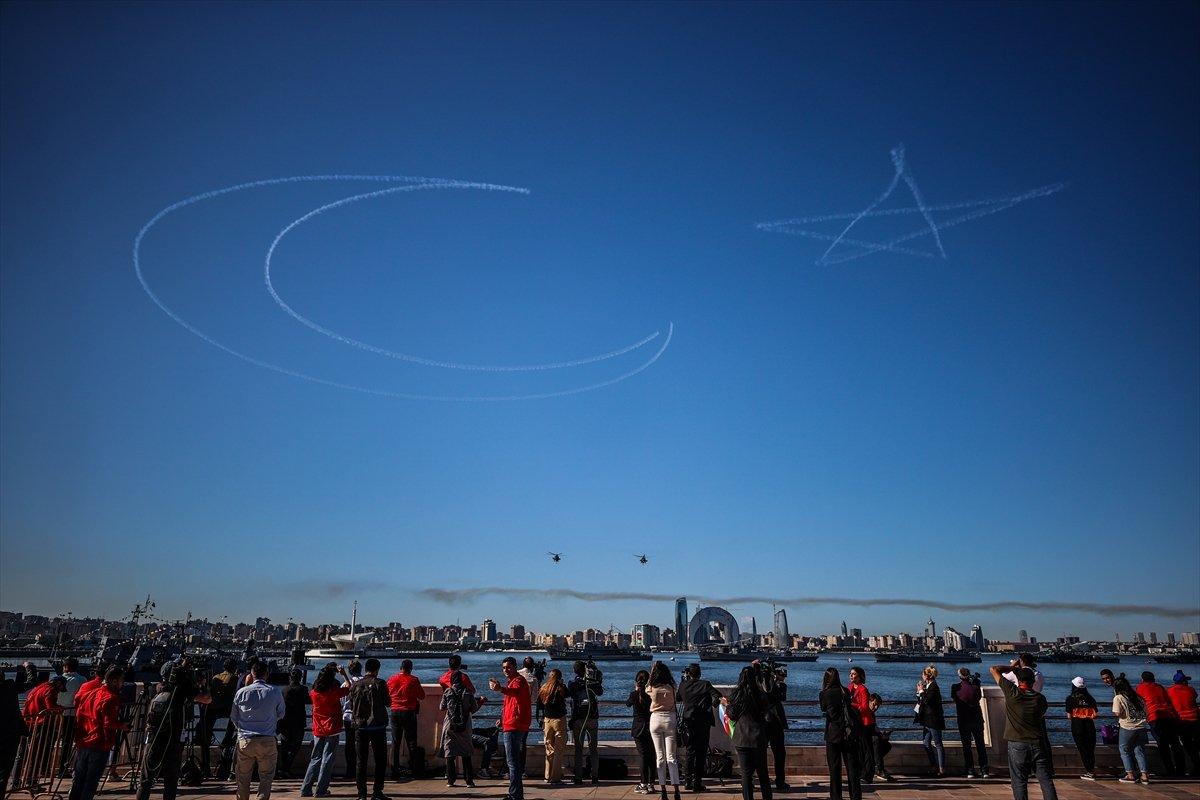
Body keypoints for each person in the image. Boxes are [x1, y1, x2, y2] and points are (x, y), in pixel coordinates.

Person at [137, 659, 209, 800]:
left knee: (145, 781)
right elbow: (206, 699)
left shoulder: (156, 689)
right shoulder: (181, 693)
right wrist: (202, 685)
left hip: (153, 739)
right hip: (173, 740)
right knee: (170, 782)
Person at [988, 662, 1057, 800]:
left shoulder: (1012, 693)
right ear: (1033, 681)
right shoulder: (1040, 699)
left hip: (1017, 743)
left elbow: (994, 669)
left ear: (1019, 680)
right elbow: (1041, 714)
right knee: (1045, 780)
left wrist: (1014, 668)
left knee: (1019, 781)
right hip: (1037, 743)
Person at [68, 666, 126, 800]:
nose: (123, 683)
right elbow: (108, 722)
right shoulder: (111, 698)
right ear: (114, 681)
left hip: (83, 741)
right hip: (99, 743)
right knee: (91, 781)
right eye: (121, 680)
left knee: (78, 779)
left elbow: (79, 710)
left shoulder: (90, 693)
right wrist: (122, 725)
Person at [231, 660, 285, 800]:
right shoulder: (275, 691)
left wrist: (242, 729)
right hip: (267, 739)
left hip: (245, 740)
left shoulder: (241, 692)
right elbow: (281, 713)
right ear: (267, 674)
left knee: (242, 778)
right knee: (266, 778)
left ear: (252, 674)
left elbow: (234, 717)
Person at [301, 663, 350, 798]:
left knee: (315, 758)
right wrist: (344, 674)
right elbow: (348, 686)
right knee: (327, 759)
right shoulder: (333, 692)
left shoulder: (314, 693)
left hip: (318, 728)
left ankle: (306, 788)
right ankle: (321, 789)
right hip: (332, 727)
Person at [489, 656, 532, 800]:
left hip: (514, 725)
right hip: (511, 723)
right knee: (513, 762)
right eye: (503, 668)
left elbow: (513, 692)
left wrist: (500, 688)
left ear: (515, 667)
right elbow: (510, 704)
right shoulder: (513, 681)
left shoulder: (519, 681)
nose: (505, 670)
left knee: (512, 762)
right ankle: (516, 794)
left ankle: (515, 795)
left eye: (508, 667)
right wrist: (502, 719)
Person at [349, 658, 390, 800]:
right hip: (377, 726)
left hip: (360, 727)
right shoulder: (380, 684)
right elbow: (388, 702)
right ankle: (377, 792)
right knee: (380, 760)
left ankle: (361, 794)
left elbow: (351, 703)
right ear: (377, 670)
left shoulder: (355, 685)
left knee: (361, 761)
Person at [677, 663, 721, 792]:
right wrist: (713, 703)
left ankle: (687, 781)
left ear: (689, 674)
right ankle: (697, 782)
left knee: (690, 752)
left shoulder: (683, 685)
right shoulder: (705, 684)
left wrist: (683, 682)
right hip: (703, 722)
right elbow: (717, 695)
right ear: (700, 673)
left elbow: (678, 697)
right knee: (701, 753)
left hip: (689, 722)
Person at [818, 667, 859, 800]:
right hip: (848, 733)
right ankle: (856, 796)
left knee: (835, 769)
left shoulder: (824, 693)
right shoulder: (845, 691)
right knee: (852, 769)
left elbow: (824, 708)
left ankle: (836, 796)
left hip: (833, 734)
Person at [1136, 671, 1186, 777]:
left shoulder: (1140, 687)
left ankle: (1170, 770)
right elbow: (1168, 700)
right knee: (1175, 743)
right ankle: (1181, 769)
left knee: (1163, 745)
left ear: (1142, 679)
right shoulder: (1159, 687)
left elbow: (1138, 702)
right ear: (1154, 679)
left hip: (1155, 717)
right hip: (1170, 716)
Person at [645, 661, 681, 800]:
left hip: (655, 720)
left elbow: (646, 685)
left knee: (660, 757)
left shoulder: (652, 688)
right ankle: (676, 790)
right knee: (671, 757)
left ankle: (663, 790)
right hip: (670, 719)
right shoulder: (672, 687)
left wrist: (652, 671)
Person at [441, 669, 481, 787]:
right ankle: (469, 780)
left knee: (449, 752)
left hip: (450, 725)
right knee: (466, 752)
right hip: (465, 725)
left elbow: (442, 707)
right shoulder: (468, 692)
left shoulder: (448, 691)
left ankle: (450, 780)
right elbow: (474, 708)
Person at [200, 659, 239, 779]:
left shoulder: (215, 677)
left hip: (212, 710)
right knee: (232, 731)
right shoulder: (235, 678)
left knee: (205, 739)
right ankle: (226, 742)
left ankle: (205, 769)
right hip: (228, 710)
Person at [387, 660, 425, 779]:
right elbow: (422, 696)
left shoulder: (392, 679)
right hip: (409, 713)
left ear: (400, 667)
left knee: (395, 743)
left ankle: (394, 771)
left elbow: (387, 694)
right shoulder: (413, 680)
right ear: (411, 668)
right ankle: (416, 771)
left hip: (394, 712)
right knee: (412, 743)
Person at [567, 658, 603, 784]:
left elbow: (570, 692)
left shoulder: (572, 683)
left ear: (574, 671)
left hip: (578, 719)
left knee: (578, 749)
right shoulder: (592, 683)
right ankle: (595, 776)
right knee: (593, 748)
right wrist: (595, 678)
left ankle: (578, 777)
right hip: (592, 718)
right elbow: (600, 691)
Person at [1110, 673, 1150, 784]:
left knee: (1124, 750)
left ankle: (1130, 774)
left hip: (1127, 726)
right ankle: (1144, 775)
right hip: (1142, 726)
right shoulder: (1138, 697)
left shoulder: (1119, 697)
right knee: (1139, 751)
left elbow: (1117, 712)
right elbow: (1146, 711)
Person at [23, 674, 65, 777]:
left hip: (29, 722)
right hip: (41, 724)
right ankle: (32, 778)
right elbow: (50, 707)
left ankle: (27, 777)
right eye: (60, 688)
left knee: (31, 752)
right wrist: (60, 708)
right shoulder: (50, 690)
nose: (60, 691)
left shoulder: (38, 688)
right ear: (58, 684)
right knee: (38, 752)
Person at [950, 668, 989, 778]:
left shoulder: (955, 687)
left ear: (959, 676)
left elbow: (954, 698)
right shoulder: (976, 686)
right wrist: (975, 682)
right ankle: (984, 769)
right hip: (977, 719)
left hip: (963, 720)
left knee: (966, 746)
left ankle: (970, 770)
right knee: (980, 745)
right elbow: (978, 696)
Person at [627, 669, 656, 795]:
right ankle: (651, 783)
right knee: (651, 755)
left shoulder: (634, 695)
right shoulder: (651, 694)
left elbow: (628, 704)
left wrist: (636, 689)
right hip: (651, 726)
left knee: (643, 756)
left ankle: (643, 783)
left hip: (638, 728)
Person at [538, 668, 569, 784]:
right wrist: (562, 683)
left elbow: (540, 704)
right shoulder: (560, 688)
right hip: (559, 720)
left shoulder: (544, 687)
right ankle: (556, 778)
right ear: (559, 677)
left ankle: (547, 776)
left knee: (549, 749)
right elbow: (568, 694)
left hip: (547, 720)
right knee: (559, 750)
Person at [278, 669, 311, 778]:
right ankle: (286, 768)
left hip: (285, 721)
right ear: (300, 678)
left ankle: (283, 768)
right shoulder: (303, 689)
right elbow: (308, 701)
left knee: (284, 746)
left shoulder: (284, 690)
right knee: (295, 746)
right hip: (298, 721)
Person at [1064, 677, 1098, 780]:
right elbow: (1095, 714)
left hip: (1077, 726)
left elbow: (1069, 716)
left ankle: (1090, 771)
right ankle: (1091, 770)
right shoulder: (1090, 698)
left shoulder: (1070, 698)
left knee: (1082, 749)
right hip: (1090, 726)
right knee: (1090, 749)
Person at [57, 657, 86, 775]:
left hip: (57, 713)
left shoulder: (58, 679)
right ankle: (64, 768)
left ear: (64, 667)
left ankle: (44, 769)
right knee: (68, 742)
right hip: (73, 714)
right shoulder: (82, 680)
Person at [0, 672, 29, 793]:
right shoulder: (10, 687)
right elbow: (30, 682)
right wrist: (27, 668)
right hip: (10, 734)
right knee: (4, 771)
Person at [1167, 671, 1200, 777]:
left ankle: (1180, 769)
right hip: (1194, 720)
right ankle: (1196, 767)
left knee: (1179, 745)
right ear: (1184, 681)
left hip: (1179, 721)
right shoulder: (1191, 690)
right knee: (1193, 746)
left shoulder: (1170, 691)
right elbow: (1194, 697)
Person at [847, 667, 875, 784]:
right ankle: (860, 772)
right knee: (858, 749)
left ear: (859, 676)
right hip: (856, 723)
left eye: (853, 674)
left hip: (865, 722)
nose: (851, 676)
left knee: (867, 749)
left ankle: (868, 774)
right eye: (850, 674)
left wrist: (851, 704)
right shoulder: (849, 688)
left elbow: (864, 708)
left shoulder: (863, 690)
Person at [763, 664, 789, 790]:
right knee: (779, 753)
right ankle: (779, 781)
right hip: (774, 722)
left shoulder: (762, 685)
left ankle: (765, 780)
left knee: (761, 752)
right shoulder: (772, 686)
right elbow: (778, 696)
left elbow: (778, 696)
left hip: (764, 722)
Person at [916, 665, 945, 778]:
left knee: (938, 744)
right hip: (927, 720)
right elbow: (923, 700)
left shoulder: (933, 687)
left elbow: (927, 700)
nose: (922, 676)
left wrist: (922, 691)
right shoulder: (928, 686)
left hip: (933, 720)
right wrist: (919, 692)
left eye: (923, 674)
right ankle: (934, 766)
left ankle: (941, 769)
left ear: (927, 676)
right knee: (926, 743)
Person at [341, 660, 363, 781]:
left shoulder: (344, 685)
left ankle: (350, 770)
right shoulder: (365, 682)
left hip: (348, 717)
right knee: (361, 744)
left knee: (349, 744)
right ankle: (361, 770)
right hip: (362, 717)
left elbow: (341, 702)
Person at [866, 694, 893, 782]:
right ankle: (880, 770)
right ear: (869, 701)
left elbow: (874, 727)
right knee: (876, 741)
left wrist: (882, 735)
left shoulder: (872, 714)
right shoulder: (865, 712)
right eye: (874, 704)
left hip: (871, 736)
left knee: (887, 745)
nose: (876, 707)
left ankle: (875, 767)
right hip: (864, 737)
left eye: (878, 705)